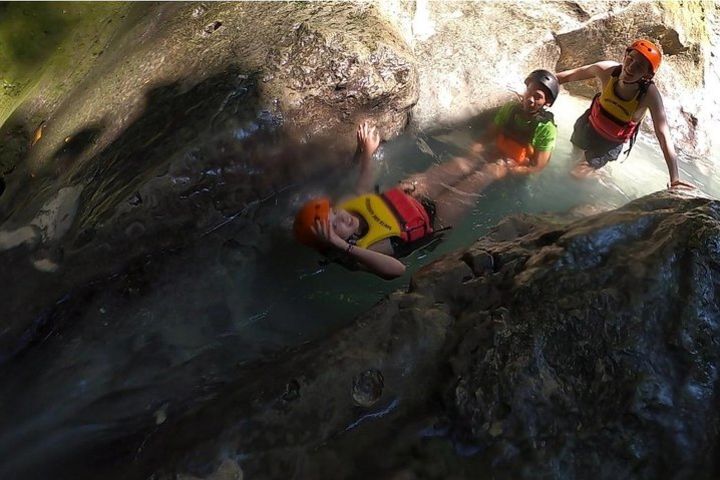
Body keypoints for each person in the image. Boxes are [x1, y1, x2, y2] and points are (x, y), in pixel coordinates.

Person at [293, 70, 559, 279]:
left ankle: (492, 161)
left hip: (413, 193)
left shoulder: (346, 211)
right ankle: (500, 170)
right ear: (329, 240)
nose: (343, 217)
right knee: (483, 174)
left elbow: (363, 185)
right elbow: (395, 270)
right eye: (335, 224)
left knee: (465, 162)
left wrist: (367, 153)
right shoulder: (358, 251)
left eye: (336, 213)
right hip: (434, 217)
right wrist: (342, 246)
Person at [556, 39, 693, 189]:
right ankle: (594, 172)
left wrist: (674, 177)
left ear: (647, 75)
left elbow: (663, 134)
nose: (631, 68)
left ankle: (603, 181)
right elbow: (566, 77)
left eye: (639, 66)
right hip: (588, 125)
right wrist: (536, 86)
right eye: (630, 59)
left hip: (608, 143)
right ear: (624, 56)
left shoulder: (648, 95)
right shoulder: (608, 70)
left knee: (576, 174)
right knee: (572, 159)